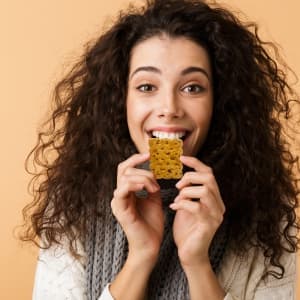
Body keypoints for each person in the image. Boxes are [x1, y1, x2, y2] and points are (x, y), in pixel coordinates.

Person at [21, 0, 300, 299]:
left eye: (192, 87)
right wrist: (140, 255)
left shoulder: (268, 216)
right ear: (120, 100)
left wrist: (197, 263)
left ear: (220, 102)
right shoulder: (73, 203)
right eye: (146, 87)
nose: (169, 108)